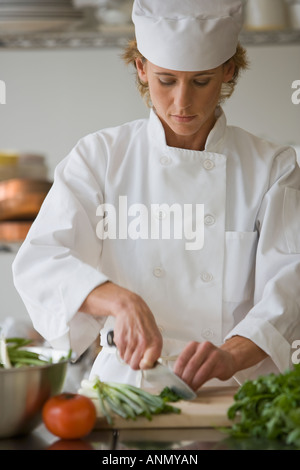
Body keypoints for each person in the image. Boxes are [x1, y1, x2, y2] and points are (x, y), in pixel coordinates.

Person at [13, 0, 300, 391]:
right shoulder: (99, 157)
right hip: (131, 386)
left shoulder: (272, 166)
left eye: (201, 81)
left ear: (228, 70)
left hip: (237, 388)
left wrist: (232, 353)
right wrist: (118, 301)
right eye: (167, 80)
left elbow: (290, 285)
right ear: (142, 69)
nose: (183, 103)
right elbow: (41, 261)